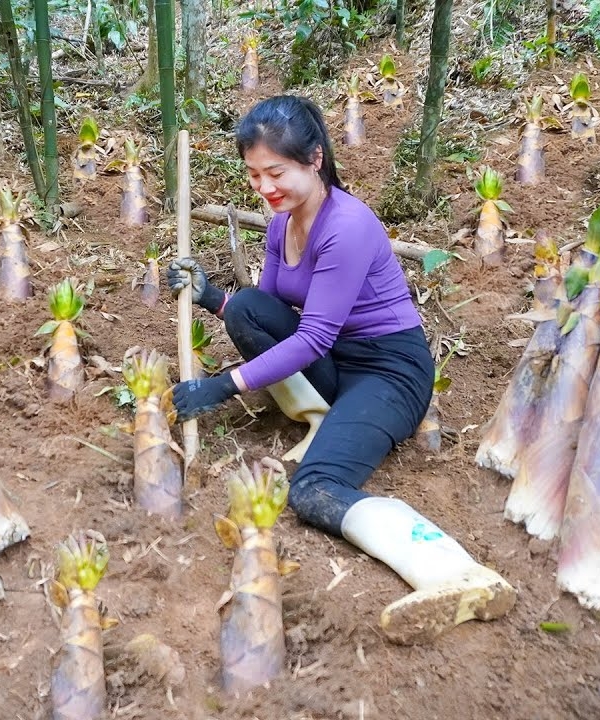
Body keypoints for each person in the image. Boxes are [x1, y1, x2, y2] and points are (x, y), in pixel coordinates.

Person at [166, 95, 516, 645]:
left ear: (315, 159)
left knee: (314, 488)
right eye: (254, 174)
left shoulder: (347, 226)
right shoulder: (281, 225)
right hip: (334, 363)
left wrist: (222, 386)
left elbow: (311, 337)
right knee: (249, 306)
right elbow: (269, 310)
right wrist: (212, 297)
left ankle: (454, 572)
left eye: (276, 172)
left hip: (388, 373)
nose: (264, 187)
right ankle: (329, 418)